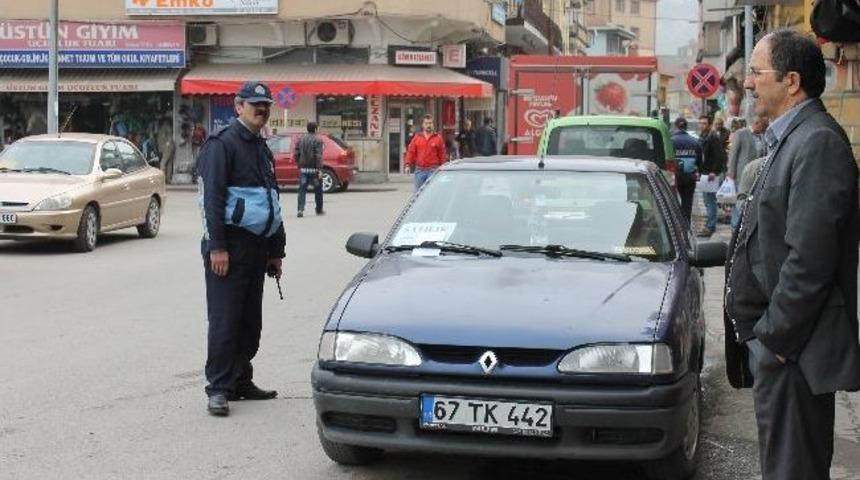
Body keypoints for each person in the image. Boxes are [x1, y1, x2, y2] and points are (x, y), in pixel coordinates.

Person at [724, 29, 860, 480]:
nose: (747, 82)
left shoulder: (817, 142)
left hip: (793, 351)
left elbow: (810, 259)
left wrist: (775, 342)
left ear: (792, 80)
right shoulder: (790, 138)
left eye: (757, 72)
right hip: (783, 349)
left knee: (792, 470)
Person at [196, 81, 286, 417]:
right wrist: (217, 247)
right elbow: (211, 200)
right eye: (254, 105)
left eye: (265, 105)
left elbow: (271, 200)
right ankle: (218, 389)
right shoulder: (222, 145)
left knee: (250, 322)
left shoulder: (261, 146)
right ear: (238, 106)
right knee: (225, 321)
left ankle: (240, 380)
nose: (261, 109)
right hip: (229, 247)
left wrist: (277, 249)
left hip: (257, 246)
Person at [727, 114, 768, 228]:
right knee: (738, 199)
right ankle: (735, 227)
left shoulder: (763, 136)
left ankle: (746, 225)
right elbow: (733, 154)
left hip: (757, 175)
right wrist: (731, 172)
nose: (764, 129)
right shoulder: (741, 133)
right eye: (763, 126)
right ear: (757, 123)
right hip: (741, 174)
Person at [697, 115, 726, 237]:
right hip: (704, 173)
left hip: (710, 174)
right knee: (707, 200)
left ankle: (710, 226)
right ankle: (709, 224)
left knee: (710, 201)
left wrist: (714, 171)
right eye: (700, 123)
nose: (702, 125)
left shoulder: (713, 137)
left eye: (704, 123)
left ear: (709, 125)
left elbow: (720, 156)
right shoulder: (703, 136)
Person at [670, 117, 703, 225]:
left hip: (674, 176)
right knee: (687, 202)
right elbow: (699, 161)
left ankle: (675, 223)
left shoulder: (671, 141)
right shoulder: (694, 141)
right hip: (690, 176)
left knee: (672, 200)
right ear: (686, 127)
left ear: (675, 126)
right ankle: (686, 224)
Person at [404, 114, 447, 190]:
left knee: (432, 193)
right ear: (423, 125)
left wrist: (443, 169)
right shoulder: (417, 137)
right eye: (426, 123)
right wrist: (407, 165)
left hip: (433, 170)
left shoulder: (438, 138)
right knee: (418, 195)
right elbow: (411, 152)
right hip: (420, 171)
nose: (428, 125)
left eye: (430, 123)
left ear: (433, 124)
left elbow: (442, 155)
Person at [294, 121, 324, 217]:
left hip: (303, 170)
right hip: (314, 170)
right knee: (318, 190)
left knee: (302, 190)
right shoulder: (318, 140)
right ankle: (319, 209)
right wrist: (320, 169)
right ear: (315, 129)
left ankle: (300, 209)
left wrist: (299, 164)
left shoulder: (301, 139)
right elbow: (318, 156)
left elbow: (296, 154)